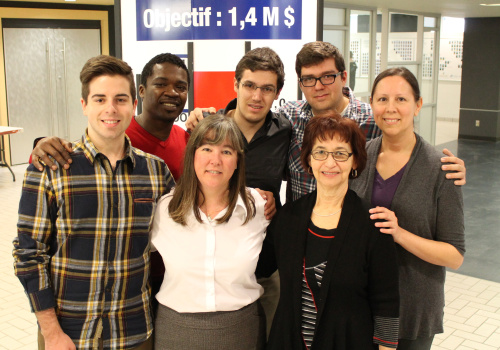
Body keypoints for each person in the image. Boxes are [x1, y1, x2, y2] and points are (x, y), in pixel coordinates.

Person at [13, 55, 174, 350]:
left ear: (133, 105)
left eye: (120, 99)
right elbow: (28, 254)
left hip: (134, 330)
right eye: (100, 99)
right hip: (68, 333)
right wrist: (50, 332)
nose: (111, 109)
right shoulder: (50, 168)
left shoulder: (155, 171)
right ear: (84, 104)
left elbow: (181, 237)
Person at [186, 41, 467, 203]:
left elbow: (404, 139)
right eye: (309, 79)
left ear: (344, 77)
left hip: (351, 236)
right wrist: (203, 115)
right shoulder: (290, 119)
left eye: (328, 76)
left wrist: (440, 166)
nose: (318, 86)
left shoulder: (370, 120)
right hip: (300, 235)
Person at [257, 114, 400, 349]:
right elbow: (260, 267)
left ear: (355, 161)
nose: (330, 163)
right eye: (320, 152)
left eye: (340, 153)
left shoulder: (372, 223)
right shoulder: (288, 218)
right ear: (309, 160)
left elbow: (386, 301)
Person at [350, 67, 465, 349]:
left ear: (418, 105)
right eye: (382, 99)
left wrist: (399, 233)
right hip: (363, 304)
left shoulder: (442, 169)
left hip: (412, 309)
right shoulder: (360, 158)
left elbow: (454, 256)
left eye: (401, 99)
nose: (391, 109)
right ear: (372, 104)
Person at [151, 114, 269, 349]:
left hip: (241, 331)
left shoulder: (257, 206)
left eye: (226, 151)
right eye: (207, 149)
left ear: (237, 161)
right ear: (192, 155)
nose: (215, 160)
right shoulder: (165, 209)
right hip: (176, 332)